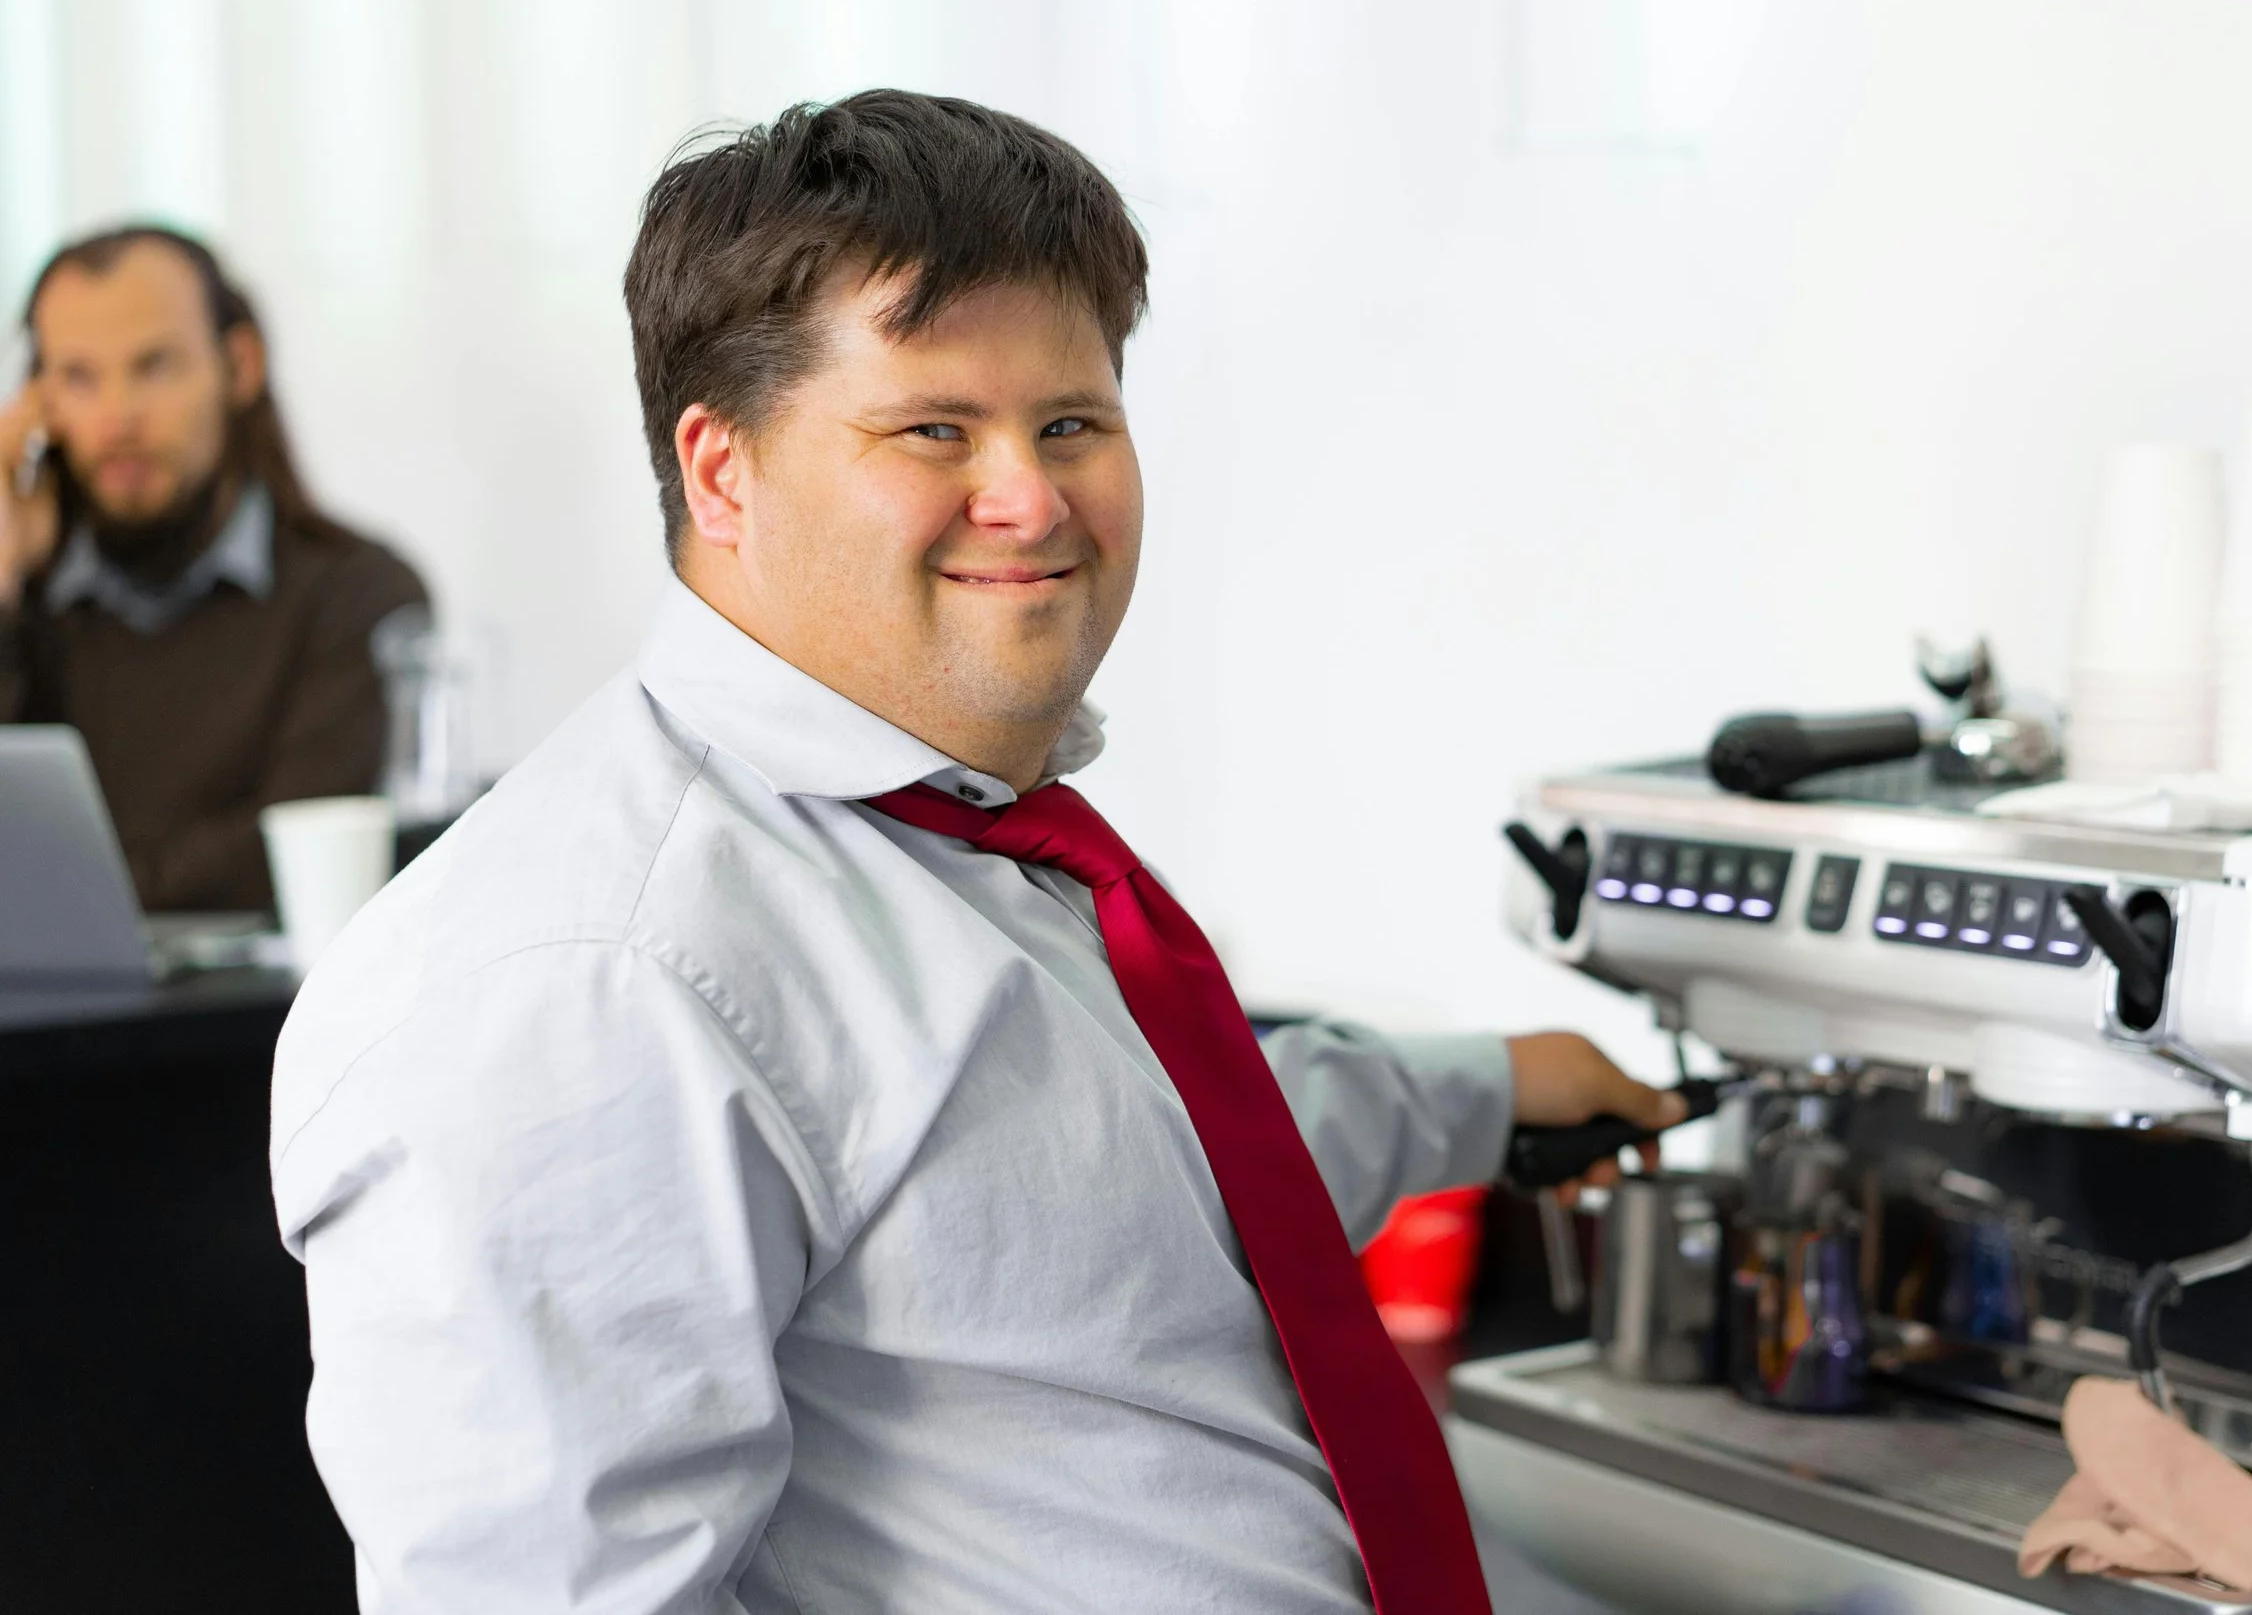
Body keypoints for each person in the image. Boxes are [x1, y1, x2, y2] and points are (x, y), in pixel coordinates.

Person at [271, 91, 1691, 1614]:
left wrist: (1474, 1085)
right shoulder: (579, 981)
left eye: (1070, 422)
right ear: (722, 470)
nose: (1029, 495)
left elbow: (1108, 1181)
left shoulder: (963, 833)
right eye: (932, 427)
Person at [0, 227, 427, 912]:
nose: (117, 418)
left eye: (154, 366)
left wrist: (60, 895)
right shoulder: (24, 599)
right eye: (78, 377)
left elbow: (293, 861)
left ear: (239, 365)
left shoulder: (360, 596)